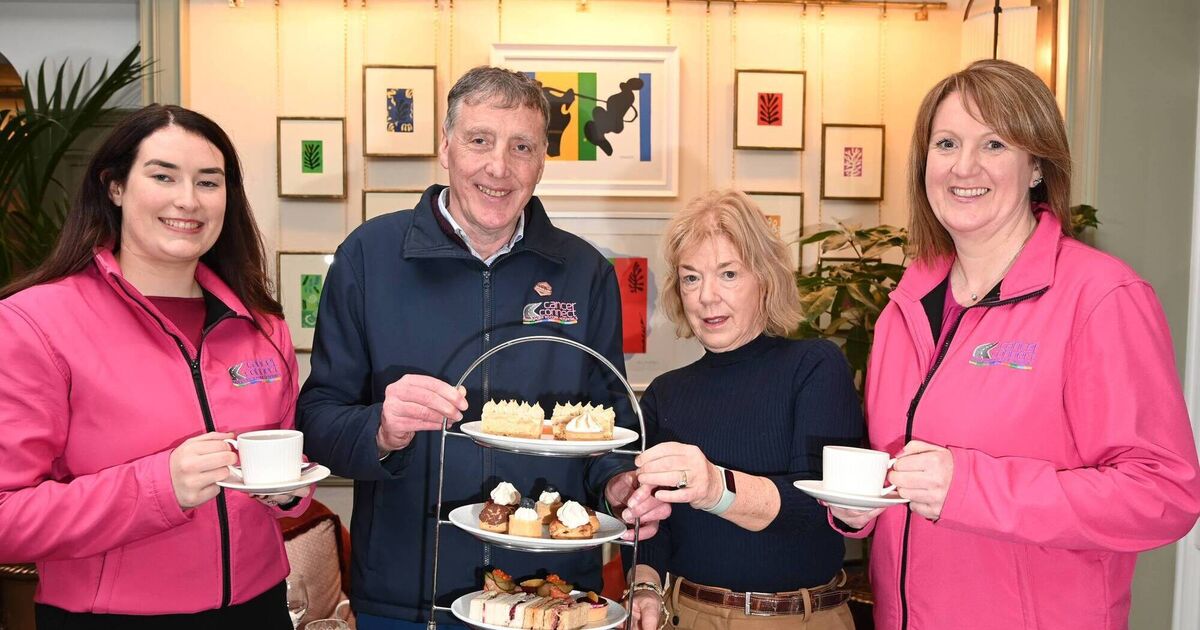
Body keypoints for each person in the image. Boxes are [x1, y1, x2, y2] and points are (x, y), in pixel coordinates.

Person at [826, 59, 1200, 629]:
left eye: (994, 144)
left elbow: (1163, 494)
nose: (964, 166)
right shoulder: (906, 305)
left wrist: (970, 488)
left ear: (1037, 167)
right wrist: (861, 508)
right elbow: (902, 472)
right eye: (946, 143)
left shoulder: (1100, 296)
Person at [296, 66, 669, 630]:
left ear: (541, 161)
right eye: (479, 140)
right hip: (407, 598)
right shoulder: (368, 257)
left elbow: (608, 425)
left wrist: (619, 483)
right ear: (445, 147)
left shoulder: (586, 272)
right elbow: (318, 420)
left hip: (553, 595)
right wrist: (381, 429)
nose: (499, 167)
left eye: (522, 147)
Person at [0, 104, 308, 628]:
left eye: (208, 182)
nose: (188, 200)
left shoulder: (261, 325)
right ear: (115, 187)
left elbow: (285, 460)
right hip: (112, 616)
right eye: (163, 176)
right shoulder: (33, 323)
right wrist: (159, 487)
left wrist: (287, 491)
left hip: (258, 607)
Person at [626, 190, 863, 630]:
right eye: (691, 278)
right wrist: (644, 583)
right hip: (686, 615)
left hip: (795, 619)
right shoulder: (665, 393)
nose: (706, 297)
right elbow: (655, 522)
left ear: (766, 278)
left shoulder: (814, 366)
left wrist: (715, 487)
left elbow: (821, 512)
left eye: (728, 274)